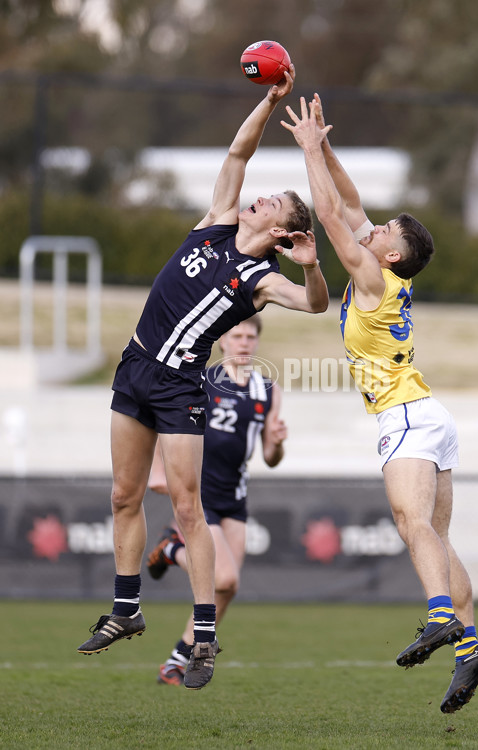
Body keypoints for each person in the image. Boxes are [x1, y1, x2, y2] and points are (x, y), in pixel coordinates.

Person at [76, 69, 328, 692]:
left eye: (272, 202)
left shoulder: (263, 278)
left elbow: (318, 306)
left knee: (189, 509)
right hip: (134, 367)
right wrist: (268, 102)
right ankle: (127, 610)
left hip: (181, 387)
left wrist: (313, 264)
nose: (260, 196)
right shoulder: (216, 220)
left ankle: (204, 639)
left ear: (280, 231)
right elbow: (238, 152)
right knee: (122, 496)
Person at [281, 94, 478, 713]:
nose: (368, 229)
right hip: (429, 412)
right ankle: (469, 651)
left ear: (391, 254)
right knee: (439, 537)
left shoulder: (372, 276)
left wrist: (305, 156)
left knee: (413, 525)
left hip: (404, 416)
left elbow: (326, 212)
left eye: (381, 233)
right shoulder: (384, 270)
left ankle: (438, 618)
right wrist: (323, 145)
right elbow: (347, 203)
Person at [145, 315, 286, 685]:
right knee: (220, 574)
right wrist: (160, 471)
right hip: (200, 492)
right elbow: (168, 425)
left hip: (235, 497)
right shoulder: (202, 380)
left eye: (250, 337)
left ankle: (176, 660)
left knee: (227, 586)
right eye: (236, 336)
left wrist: (278, 441)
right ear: (222, 341)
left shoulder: (267, 390)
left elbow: (270, 458)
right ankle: (172, 547)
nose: (243, 343)